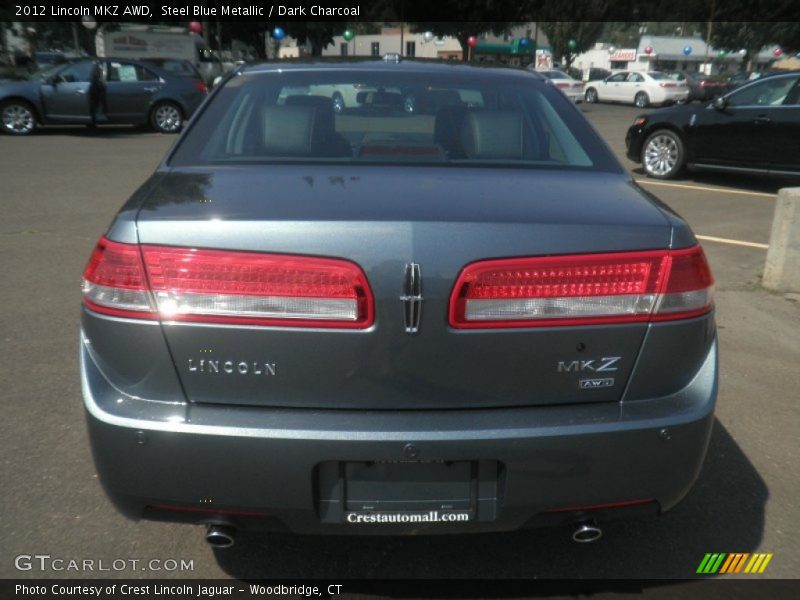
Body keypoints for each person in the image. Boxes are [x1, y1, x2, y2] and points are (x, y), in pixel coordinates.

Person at [89, 61, 107, 126]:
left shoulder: (96, 66)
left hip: (96, 88)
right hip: (96, 87)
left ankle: (96, 117)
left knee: (96, 103)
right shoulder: (98, 66)